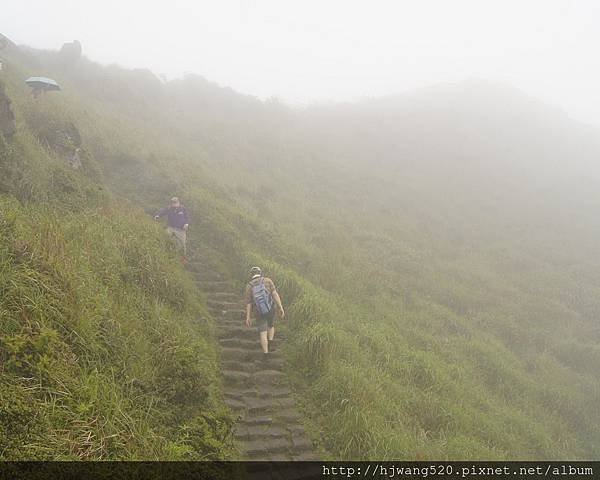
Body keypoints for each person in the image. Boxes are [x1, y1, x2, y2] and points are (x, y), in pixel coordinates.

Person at [245, 266, 285, 359]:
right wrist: (280, 307)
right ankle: (270, 342)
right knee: (271, 326)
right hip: (270, 308)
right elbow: (274, 294)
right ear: (260, 273)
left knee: (263, 332)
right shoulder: (268, 280)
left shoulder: (249, 286)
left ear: (251, 275)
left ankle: (265, 354)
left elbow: (249, 303)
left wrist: (248, 317)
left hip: (259, 312)